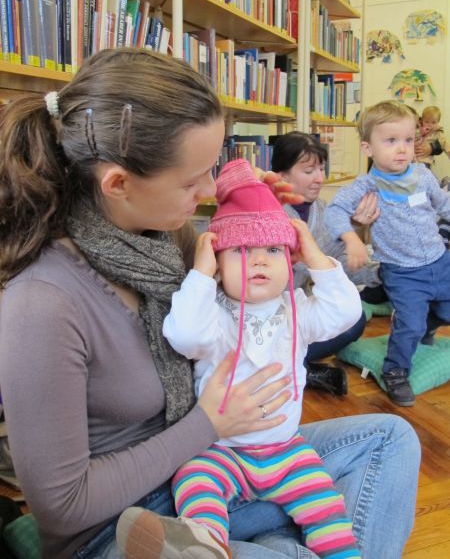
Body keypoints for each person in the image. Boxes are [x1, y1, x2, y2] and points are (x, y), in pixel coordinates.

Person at [0, 48, 420, 559]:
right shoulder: (41, 305)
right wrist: (208, 424)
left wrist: (246, 204)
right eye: (192, 179)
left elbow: (246, 277)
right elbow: (64, 507)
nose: (207, 189)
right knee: (298, 548)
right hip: (121, 522)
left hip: (215, 464)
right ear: (118, 183)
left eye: (213, 171)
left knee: (391, 438)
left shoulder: (162, 240)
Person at [117, 159, 363, 559]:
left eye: (273, 250)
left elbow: (347, 312)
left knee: (326, 506)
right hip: (219, 450)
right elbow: (184, 335)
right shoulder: (212, 314)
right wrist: (200, 274)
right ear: (219, 264)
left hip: (286, 450)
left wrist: (316, 255)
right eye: (242, 251)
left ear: (291, 259)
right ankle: (205, 548)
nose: (260, 260)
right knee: (195, 486)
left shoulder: (298, 310)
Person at [324, 100, 450, 407]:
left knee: (445, 312)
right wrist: (352, 238)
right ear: (368, 148)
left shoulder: (422, 175)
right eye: (391, 141)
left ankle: (429, 323)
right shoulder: (367, 185)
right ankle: (395, 370)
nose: (402, 149)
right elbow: (334, 210)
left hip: (440, 260)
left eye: (408, 139)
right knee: (409, 325)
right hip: (403, 272)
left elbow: (443, 204)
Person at [271, 132, 386, 395]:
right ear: (282, 176)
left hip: (298, 316)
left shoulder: (322, 211)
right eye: (309, 171)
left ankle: (294, 368)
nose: (319, 178)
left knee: (355, 320)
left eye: (321, 169)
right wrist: (345, 232)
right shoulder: (269, 214)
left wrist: (383, 274)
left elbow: (341, 265)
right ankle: (297, 369)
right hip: (266, 320)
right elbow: (298, 267)